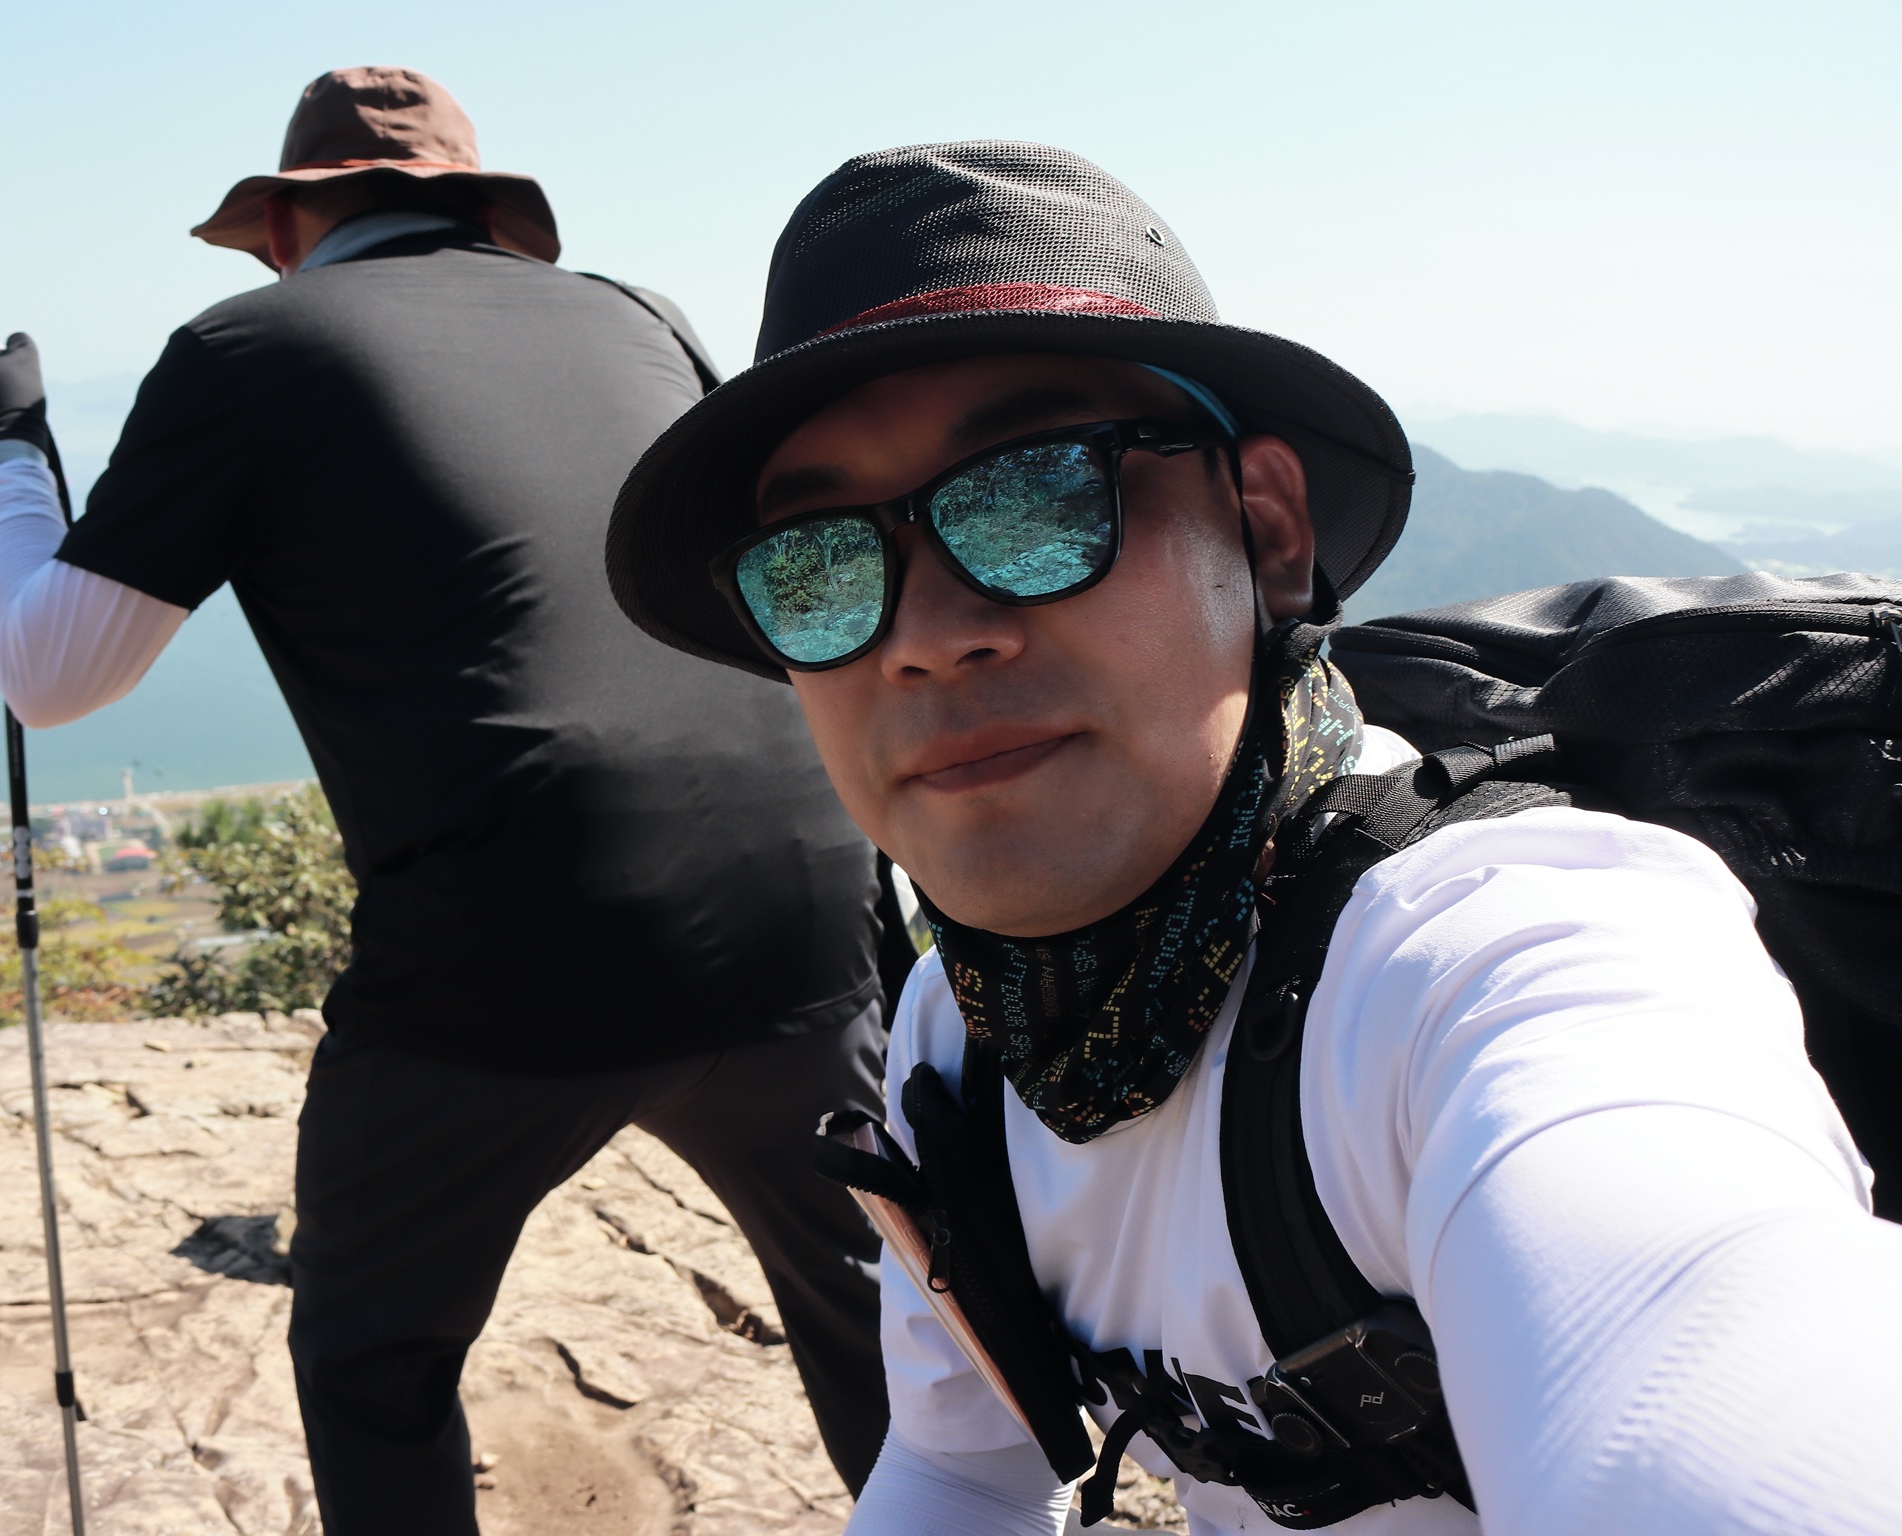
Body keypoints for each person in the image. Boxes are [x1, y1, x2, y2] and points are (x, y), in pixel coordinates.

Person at [602, 141, 1902, 1534]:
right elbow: (961, 1470)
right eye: (814, 562)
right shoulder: (965, 1038)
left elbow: (1699, 1364)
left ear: (1267, 530)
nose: (926, 635)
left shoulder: (1491, 960)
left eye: (1036, 496)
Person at [0, 67, 892, 1533]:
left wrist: (6, 456)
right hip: (807, 903)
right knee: (893, 1331)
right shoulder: (642, 317)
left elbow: (52, 671)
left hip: (512, 945)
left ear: (284, 226)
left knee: (376, 1360)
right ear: (488, 213)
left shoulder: (248, 347)